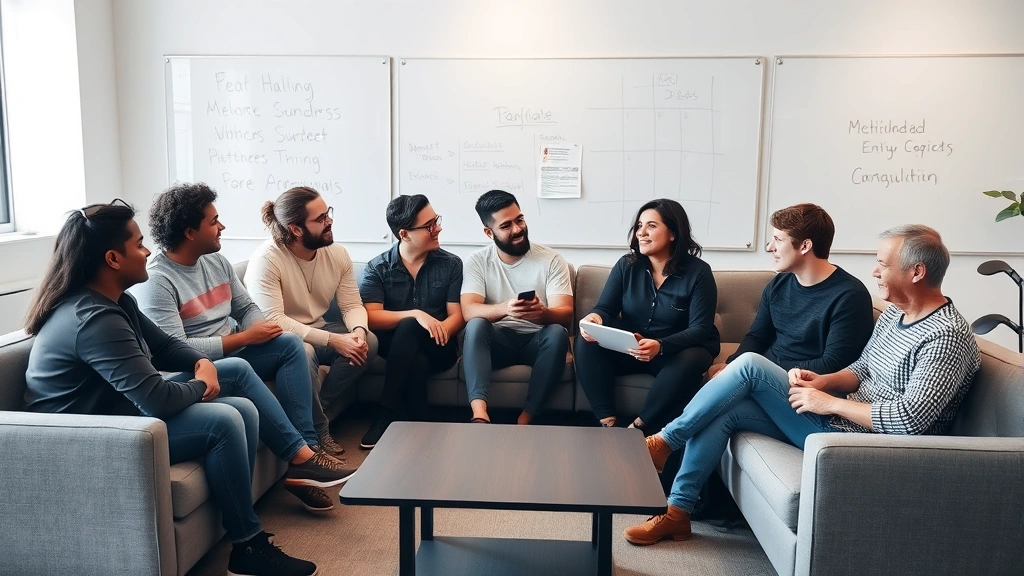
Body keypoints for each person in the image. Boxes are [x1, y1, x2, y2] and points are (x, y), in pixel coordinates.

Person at [22, 200, 357, 575]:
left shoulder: (116, 301)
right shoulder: (95, 319)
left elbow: (165, 346)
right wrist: (202, 383)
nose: (147, 251)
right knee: (224, 422)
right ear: (113, 259)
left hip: (116, 412)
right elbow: (156, 398)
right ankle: (249, 542)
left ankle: (274, 499)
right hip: (87, 437)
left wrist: (200, 363)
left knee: (239, 391)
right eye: (138, 244)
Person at [624, 224, 981, 546]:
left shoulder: (944, 335)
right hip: (844, 423)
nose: (875, 270)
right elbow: (861, 368)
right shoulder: (895, 314)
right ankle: (677, 514)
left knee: (748, 366)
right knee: (726, 410)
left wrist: (831, 403)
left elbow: (909, 421)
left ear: (917, 272)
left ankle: (666, 441)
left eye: (883, 264)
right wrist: (824, 381)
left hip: (871, 444)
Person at [132, 182, 346, 513]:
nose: (222, 226)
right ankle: (304, 459)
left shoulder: (216, 262)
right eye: (214, 221)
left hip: (233, 351)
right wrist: (243, 339)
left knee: (291, 343)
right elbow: (174, 348)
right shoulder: (157, 281)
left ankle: (308, 450)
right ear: (190, 232)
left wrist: (255, 328)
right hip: (193, 371)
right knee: (248, 362)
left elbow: (246, 309)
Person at [245, 186, 379, 447]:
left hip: (319, 329)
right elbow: (275, 320)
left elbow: (352, 304)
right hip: (283, 339)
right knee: (304, 351)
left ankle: (320, 411)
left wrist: (358, 333)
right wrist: (334, 340)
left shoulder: (337, 253)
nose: (329, 221)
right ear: (295, 229)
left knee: (369, 342)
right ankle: (318, 430)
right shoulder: (267, 260)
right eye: (320, 219)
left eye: (327, 213)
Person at [576, 199, 720, 434]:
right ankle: (608, 424)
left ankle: (638, 428)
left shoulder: (699, 272)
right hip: (631, 347)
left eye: (651, 226)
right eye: (639, 225)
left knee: (694, 360)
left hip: (674, 350)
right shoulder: (627, 265)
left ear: (673, 233)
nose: (640, 233)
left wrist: (661, 346)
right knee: (585, 341)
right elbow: (605, 308)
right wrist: (595, 319)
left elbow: (700, 329)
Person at [706, 203, 876, 380]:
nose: (770, 247)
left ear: (805, 246)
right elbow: (757, 337)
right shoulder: (778, 285)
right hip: (761, 376)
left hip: (804, 386)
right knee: (719, 394)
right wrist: (730, 365)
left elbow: (833, 364)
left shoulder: (850, 296)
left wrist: (759, 368)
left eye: (778, 240)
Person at [358, 194, 464, 448]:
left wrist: (440, 331)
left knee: (412, 332)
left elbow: (457, 315)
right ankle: (420, 422)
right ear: (404, 234)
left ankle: (386, 411)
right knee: (413, 346)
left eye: (436, 220)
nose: (437, 228)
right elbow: (371, 317)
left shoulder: (451, 264)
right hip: (395, 349)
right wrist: (416, 314)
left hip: (440, 346)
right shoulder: (378, 268)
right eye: (429, 226)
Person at [460, 189, 574, 425]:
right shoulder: (477, 261)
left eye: (519, 219)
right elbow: (469, 310)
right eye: (506, 225)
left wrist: (542, 314)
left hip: (537, 343)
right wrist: (506, 309)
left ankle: (526, 417)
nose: (518, 229)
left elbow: (565, 314)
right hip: (498, 343)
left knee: (556, 332)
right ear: (489, 232)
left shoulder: (551, 260)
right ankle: (480, 414)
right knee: (476, 325)